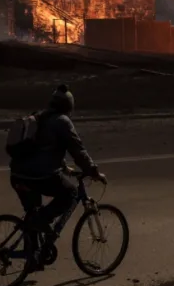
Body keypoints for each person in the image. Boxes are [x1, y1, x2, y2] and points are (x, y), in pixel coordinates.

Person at [9, 84, 106, 267]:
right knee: (70, 194)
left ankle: (33, 258)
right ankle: (40, 222)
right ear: (69, 106)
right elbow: (78, 150)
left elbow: (44, 148)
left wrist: (64, 167)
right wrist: (93, 171)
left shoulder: (40, 116)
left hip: (17, 174)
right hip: (38, 176)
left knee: (32, 213)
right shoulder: (62, 121)